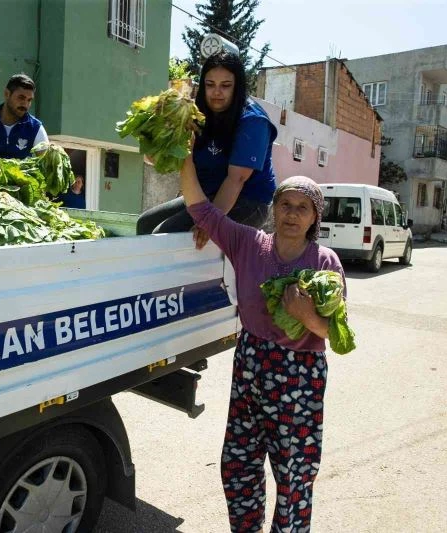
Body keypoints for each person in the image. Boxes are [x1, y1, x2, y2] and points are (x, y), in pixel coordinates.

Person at [182, 159, 347, 531]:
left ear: (314, 217)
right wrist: (186, 157)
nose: (292, 213)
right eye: (285, 204)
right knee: (238, 464)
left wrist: (306, 315)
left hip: (300, 376)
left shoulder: (325, 262)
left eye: (302, 207)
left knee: (293, 474)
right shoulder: (249, 243)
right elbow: (201, 210)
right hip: (251, 364)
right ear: (274, 208)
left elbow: (337, 336)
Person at [136, 51, 277, 247]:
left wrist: (210, 222)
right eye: (210, 85)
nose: (216, 92)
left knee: (165, 235)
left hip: (248, 200)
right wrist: (156, 149)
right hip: (208, 193)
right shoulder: (196, 112)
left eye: (225, 86)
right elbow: (174, 158)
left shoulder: (253, 121)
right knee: (145, 223)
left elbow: (236, 180)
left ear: (237, 86)